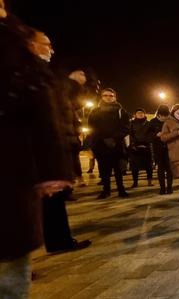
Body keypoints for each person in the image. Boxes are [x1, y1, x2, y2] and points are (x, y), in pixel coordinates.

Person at [0, 6, 73, 296]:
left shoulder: (13, 47)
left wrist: (53, 169)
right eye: (47, 46)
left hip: (9, 167)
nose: (51, 51)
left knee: (8, 272)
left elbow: (44, 111)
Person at [23, 29, 93, 254]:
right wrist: (71, 83)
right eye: (46, 44)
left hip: (46, 152)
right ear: (32, 45)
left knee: (53, 202)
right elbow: (51, 97)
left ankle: (57, 240)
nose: (51, 50)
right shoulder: (26, 69)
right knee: (44, 203)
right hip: (35, 153)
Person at [88, 88, 131, 199]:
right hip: (101, 144)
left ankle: (121, 189)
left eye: (111, 95)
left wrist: (114, 138)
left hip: (117, 144)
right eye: (105, 95)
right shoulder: (95, 111)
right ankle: (106, 190)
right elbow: (92, 128)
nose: (108, 97)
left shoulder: (121, 111)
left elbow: (126, 127)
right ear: (102, 97)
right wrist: (104, 138)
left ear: (115, 97)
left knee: (118, 169)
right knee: (104, 169)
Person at [149, 105, 173, 194]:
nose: (164, 118)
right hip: (158, 149)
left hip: (169, 148)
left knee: (169, 169)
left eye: (166, 116)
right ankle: (162, 188)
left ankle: (170, 187)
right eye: (162, 116)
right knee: (161, 169)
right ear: (158, 115)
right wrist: (156, 135)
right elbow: (148, 136)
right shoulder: (152, 122)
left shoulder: (170, 121)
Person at [128, 108, 154, 188]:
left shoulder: (149, 123)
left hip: (146, 146)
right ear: (135, 115)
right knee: (134, 167)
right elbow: (130, 134)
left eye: (142, 113)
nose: (140, 114)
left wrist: (146, 142)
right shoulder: (131, 123)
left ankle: (149, 181)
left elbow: (151, 134)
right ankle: (135, 182)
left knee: (148, 166)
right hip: (135, 147)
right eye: (138, 113)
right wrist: (135, 144)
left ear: (144, 114)